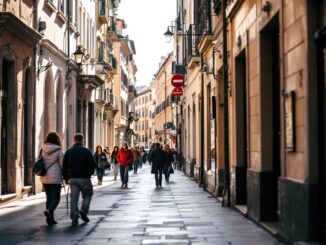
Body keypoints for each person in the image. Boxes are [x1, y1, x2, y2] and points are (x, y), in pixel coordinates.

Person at [62, 133, 96, 226]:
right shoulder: (87, 151)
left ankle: (74, 218)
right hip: (85, 178)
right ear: (82, 140)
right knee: (88, 194)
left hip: (72, 178)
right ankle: (83, 210)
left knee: (74, 198)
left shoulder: (69, 152)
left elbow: (64, 166)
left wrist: (65, 178)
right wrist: (90, 173)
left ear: (74, 140)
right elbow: (93, 164)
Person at [39, 132, 64, 226]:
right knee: (56, 198)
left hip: (44, 177)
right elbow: (63, 165)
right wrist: (65, 176)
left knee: (49, 198)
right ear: (57, 140)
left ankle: (50, 219)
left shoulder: (42, 149)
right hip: (55, 178)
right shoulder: (59, 150)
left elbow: (39, 161)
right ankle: (49, 211)